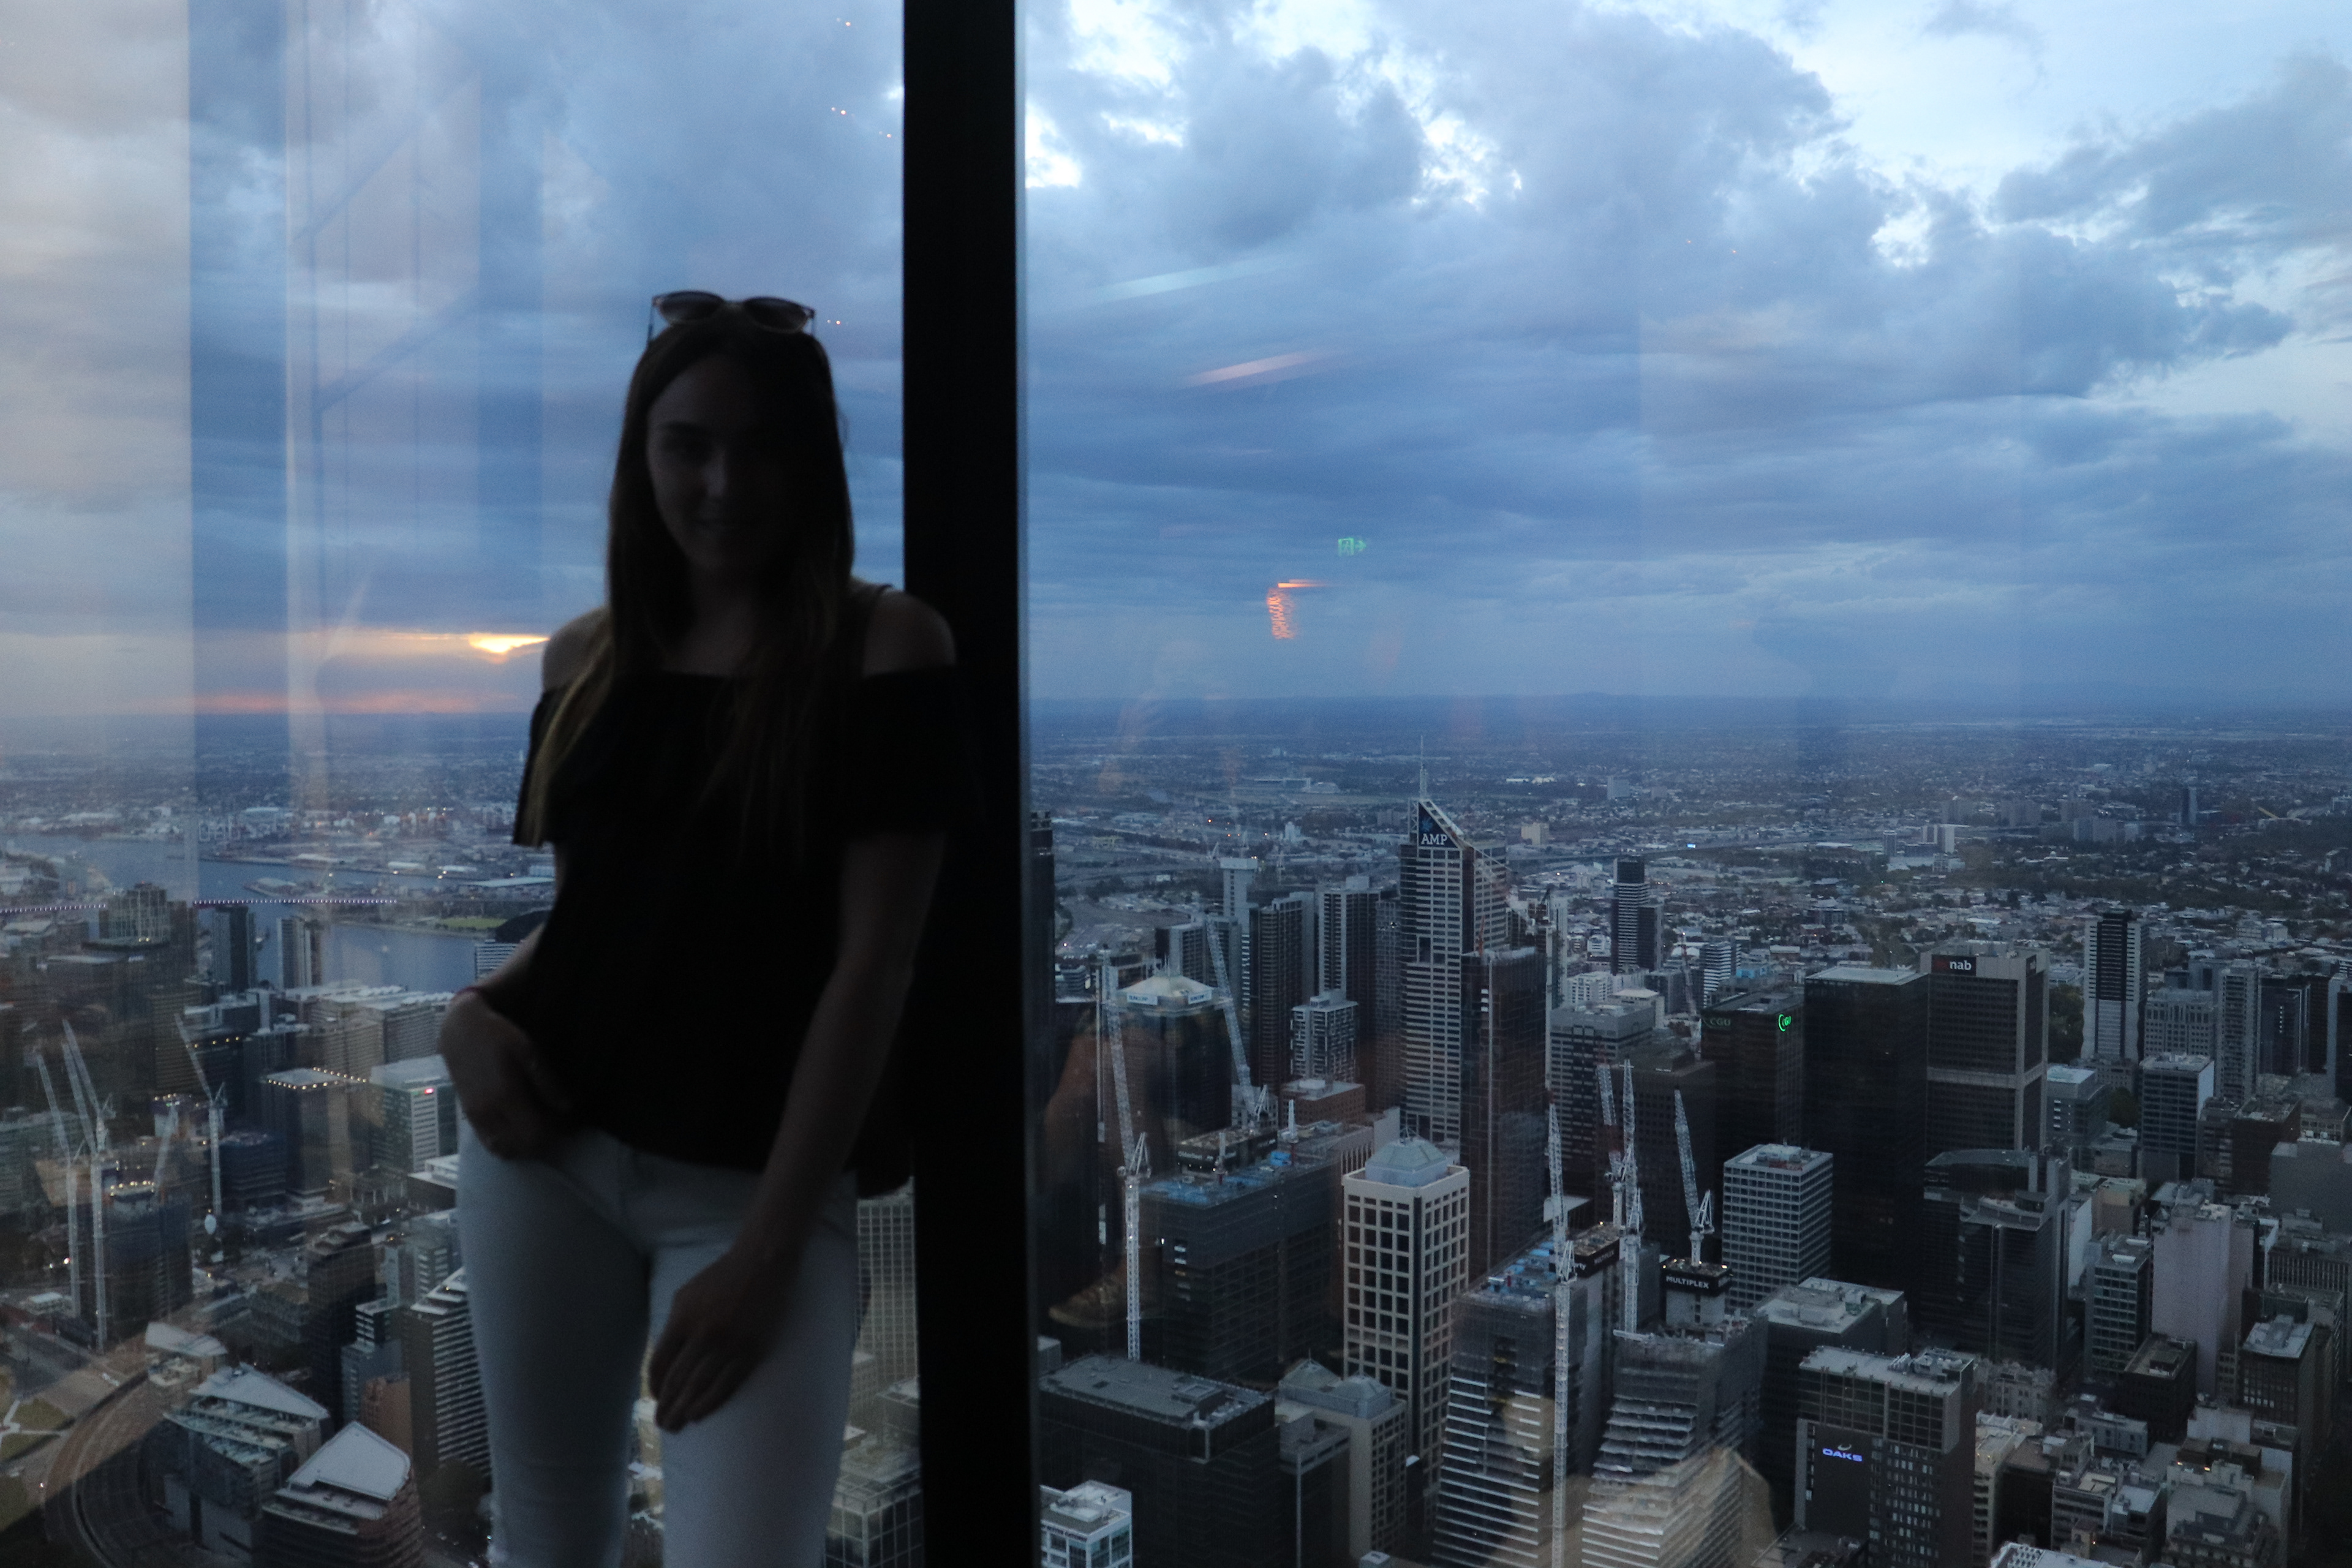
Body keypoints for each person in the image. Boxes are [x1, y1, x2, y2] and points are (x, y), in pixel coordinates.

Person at [441, 292, 960, 1567]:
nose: (724, 484)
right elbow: (599, 925)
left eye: (762, 446)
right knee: (544, 1543)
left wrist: (769, 1250)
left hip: (753, 1192)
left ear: (813, 463)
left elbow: (873, 968)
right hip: (545, 1155)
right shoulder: (580, 664)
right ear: (641, 457)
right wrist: (469, 1013)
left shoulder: (887, 648)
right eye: (688, 445)